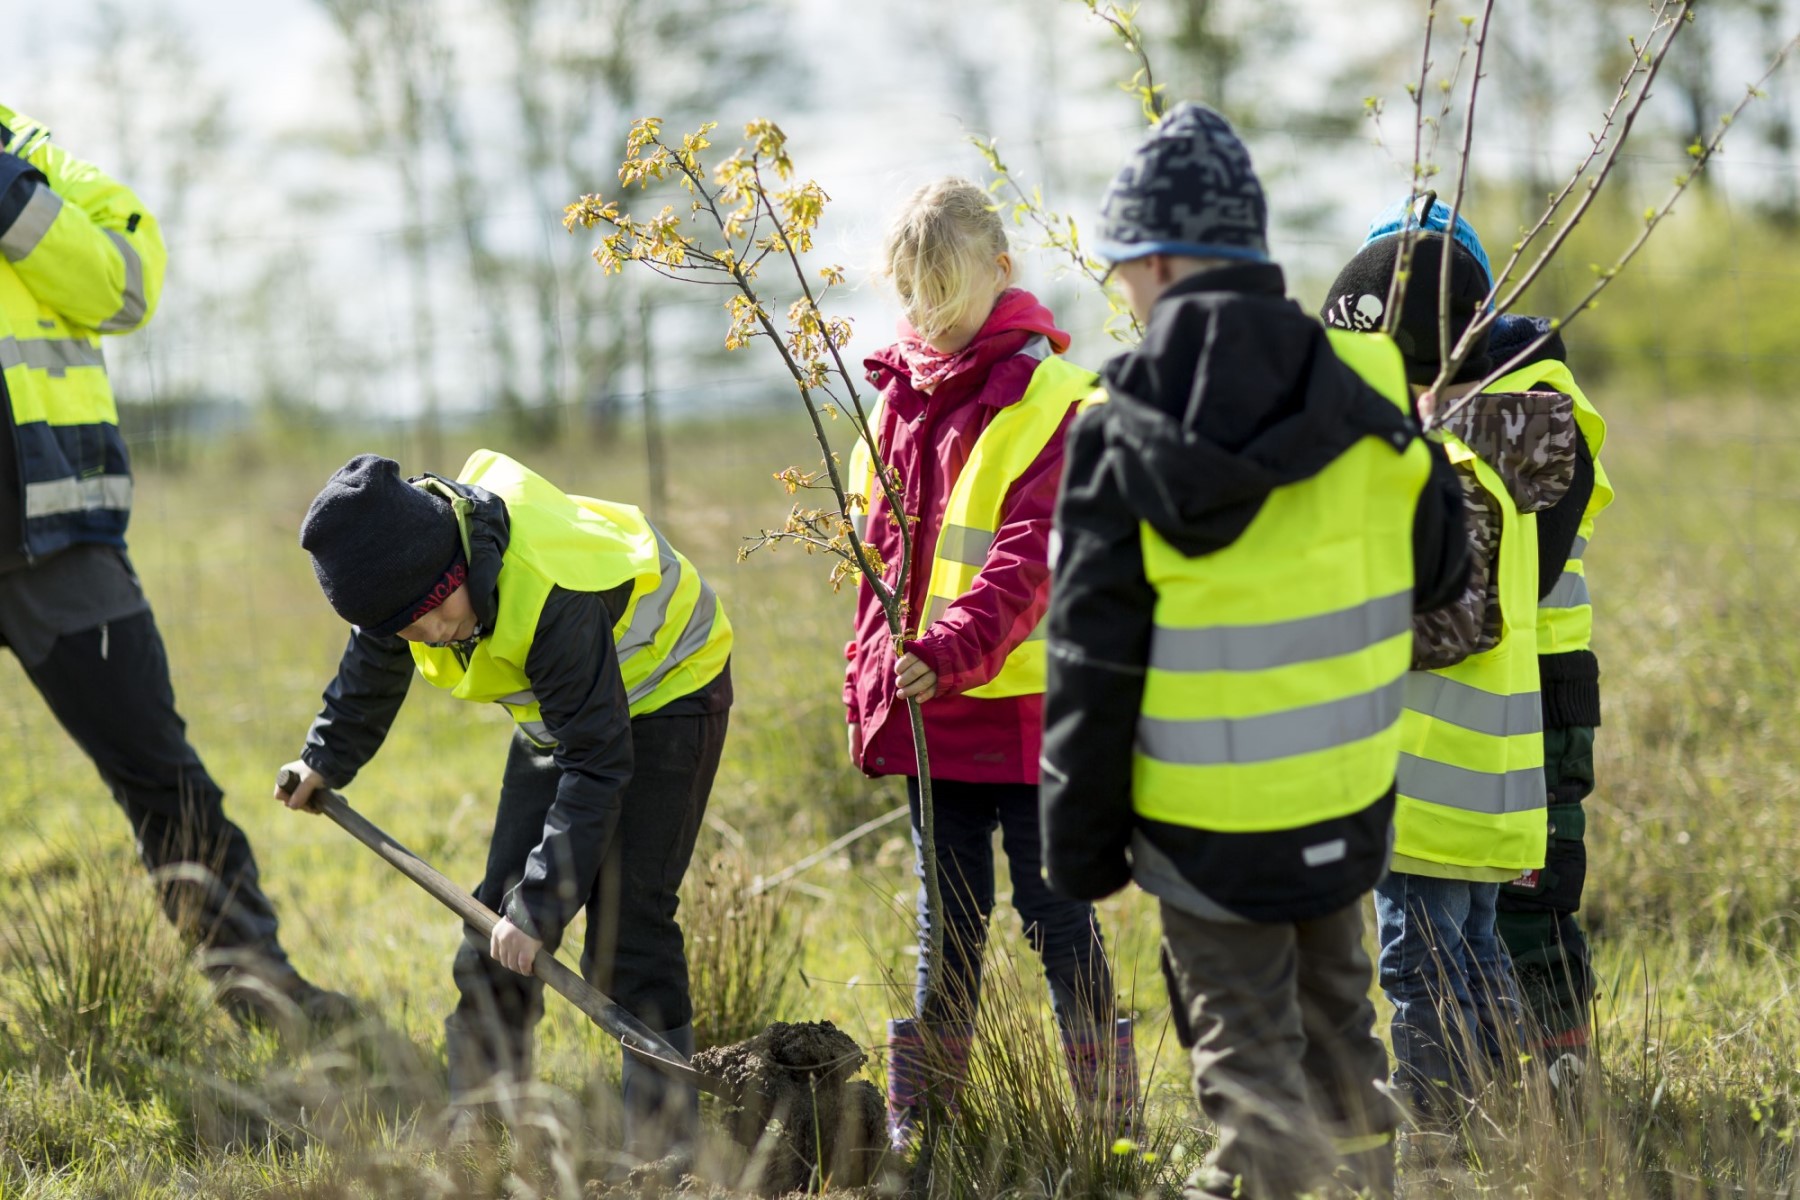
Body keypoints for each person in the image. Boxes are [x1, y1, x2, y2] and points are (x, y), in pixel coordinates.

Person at [1041, 103, 1470, 1200]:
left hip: (1204, 830)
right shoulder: (1371, 400)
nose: (1123, 291)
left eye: (1125, 266)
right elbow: (1445, 576)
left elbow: (1091, 671)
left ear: (1164, 257)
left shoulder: (1114, 429)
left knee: (1247, 1067)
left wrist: (1080, 855)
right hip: (1347, 801)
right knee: (1342, 1038)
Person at [0, 103, 349, 1027]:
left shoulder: (27, 157)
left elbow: (126, 286)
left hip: (54, 534)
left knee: (164, 780)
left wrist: (6, 195)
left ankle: (267, 998)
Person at [275, 449, 732, 1154]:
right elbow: (376, 656)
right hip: (569, 718)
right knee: (492, 922)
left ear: (455, 570)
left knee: (627, 927)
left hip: (668, 687)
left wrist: (542, 910)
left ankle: (667, 1153)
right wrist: (324, 758)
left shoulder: (547, 592)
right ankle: (483, 1137)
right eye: (403, 627)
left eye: (429, 613)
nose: (425, 636)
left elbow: (598, 762)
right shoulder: (409, 569)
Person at [844, 177, 1130, 1147]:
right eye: (911, 291)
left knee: (1057, 918)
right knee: (948, 930)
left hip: (1033, 715)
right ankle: (923, 1128)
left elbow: (1032, 553)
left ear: (1001, 271)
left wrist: (949, 649)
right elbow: (878, 566)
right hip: (935, 717)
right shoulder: (885, 406)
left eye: (947, 287)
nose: (928, 312)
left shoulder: (1055, 399)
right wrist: (882, 680)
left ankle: (1110, 1128)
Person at [1321, 214, 1577, 1148]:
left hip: (1428, 786)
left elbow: (1452, 621)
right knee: (1470, 956)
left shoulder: (1452, 471)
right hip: (1486, 787)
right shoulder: (1494, 460)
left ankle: (1435, 1123)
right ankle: (1503, 1105)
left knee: (1418, 964)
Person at [1361, 199, 1610, 1080]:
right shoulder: (1455, 420)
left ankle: (1551, 1083)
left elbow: (1493, 585)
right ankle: (1512, 1096)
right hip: (1489, 706)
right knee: (1483, 924)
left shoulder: (1518, 420)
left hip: (1530, 695)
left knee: (1526, 908)